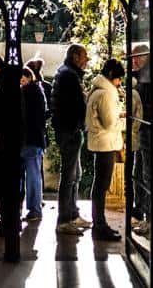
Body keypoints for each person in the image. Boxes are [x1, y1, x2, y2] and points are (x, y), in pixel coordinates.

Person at [0, 54, 25, 262]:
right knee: (9, 188)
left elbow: (6, 117)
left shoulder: (3, 86)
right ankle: (9, 223)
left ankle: (9, 227)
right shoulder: (8, 85)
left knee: (5, 188)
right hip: (10, 145)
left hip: (6, 146)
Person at [51, 44, 92, 235]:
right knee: (69, 176)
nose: (87, 60)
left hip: (68, 130)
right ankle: (65, 219)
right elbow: (76, 105)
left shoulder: (65, 73)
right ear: (75, 57)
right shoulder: (70, 76)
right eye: (84, 56)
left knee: (75, 175)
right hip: (70, 131)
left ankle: (72, 214)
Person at [85, 58, 126, 241]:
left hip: (100, 142)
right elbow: (110, 123)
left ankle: (99, 223)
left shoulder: (99, 90)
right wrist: (126, 120)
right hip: (105, 144)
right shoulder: (106, 94)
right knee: (102, 186)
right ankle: (100, 225)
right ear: (111, 76)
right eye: (118, 79)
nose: (119, 83)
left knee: (99, 185)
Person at [20, 67, 47, 221]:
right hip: (35, 139)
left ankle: (34, 210)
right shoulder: (38, 92)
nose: (21, 83)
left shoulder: (27, 93)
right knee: (34, 175)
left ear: (29, 78)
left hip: (28, 140)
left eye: (22, 80)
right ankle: (34, 209)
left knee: (32, 176)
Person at [130, 44, 152, 236]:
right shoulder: (142, 76)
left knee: (146, 175)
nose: (133, 62)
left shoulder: (145, 77)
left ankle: (148, 218)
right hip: (142, 131)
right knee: (140, 172)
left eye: (136, 58)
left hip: (145, 131)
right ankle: (140, 212)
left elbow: (144, 105)